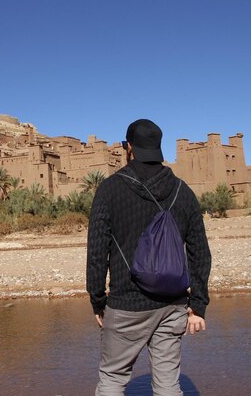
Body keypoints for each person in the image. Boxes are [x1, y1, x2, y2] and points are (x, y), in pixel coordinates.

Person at [86, 119, 211, 396]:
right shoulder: (183, 192)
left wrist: (97, 301)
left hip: (126, 305)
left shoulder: (109, 190)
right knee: (168, 385)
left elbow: (97, 252)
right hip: (172, 306)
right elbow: (200, 252)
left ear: (128, 147)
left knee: (112, 380)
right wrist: (198, 305)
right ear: (158, 148)